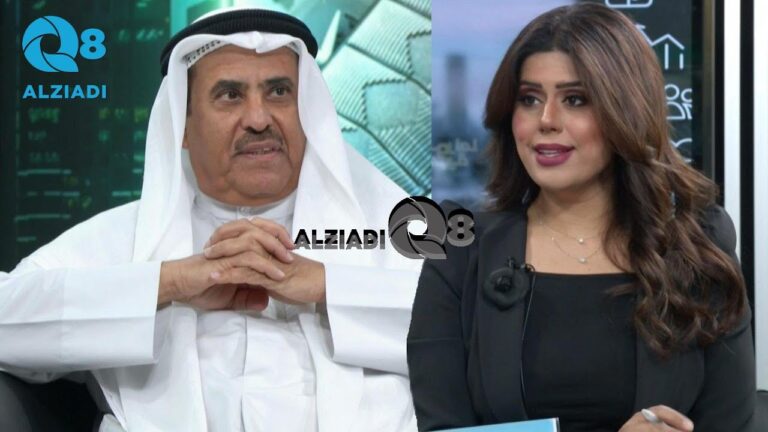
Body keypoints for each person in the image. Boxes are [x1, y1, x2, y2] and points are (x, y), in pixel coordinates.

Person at [0, 8, 421, 432]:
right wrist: (170, 283)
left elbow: (462, 319)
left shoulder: (395, 227)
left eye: (278, 92)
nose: (259, 119)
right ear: (182, 126)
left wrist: (325, 287)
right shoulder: (125, 237)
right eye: (230, 95)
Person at [407, 4, 755, 432]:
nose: (546, 120)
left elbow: (732, 421)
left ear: (625, 110)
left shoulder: (699, 243)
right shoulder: (460, 249)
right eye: (529, 99)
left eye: (575, 99)